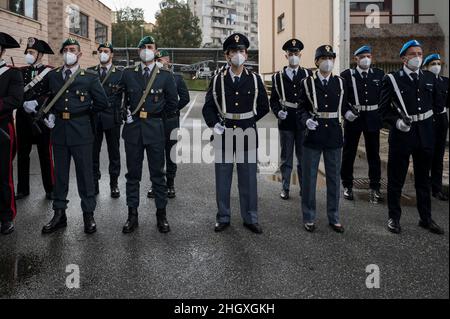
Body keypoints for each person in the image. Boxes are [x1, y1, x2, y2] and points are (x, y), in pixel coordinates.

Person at [202, 33, 270, 234]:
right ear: (227, 56)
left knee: (248, 178)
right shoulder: (217, 80)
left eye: (241, 51)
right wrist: (214, 125)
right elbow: (208, 107)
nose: (238, 55)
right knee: (223, 179)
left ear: (246, 55)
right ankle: (223, 216)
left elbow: (263, 106)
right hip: (224, 135)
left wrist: (248, 120)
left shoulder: (255, 80)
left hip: (247, 134)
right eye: (234, 52)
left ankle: (250, 217)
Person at [40, 38, 109, 235]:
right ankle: (59, 214)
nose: (69, 52)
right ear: (62, 53)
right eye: (66, 50)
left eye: (73, 50)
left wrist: (85, 114)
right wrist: (49, 114)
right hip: (60, 130)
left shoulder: (89, 76)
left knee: (85, 175)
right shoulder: (53, 76)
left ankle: (88, 215)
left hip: (82, 132)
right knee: (60, 175)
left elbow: (102, 103)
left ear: (79, 54)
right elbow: (46, 96)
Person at [379, 40, 444, 235]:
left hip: (425, 134)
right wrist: (396, 122)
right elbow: (383, 110)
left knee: (423, 180)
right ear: (403, 58)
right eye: (413, 54)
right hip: (402, 136)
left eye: (420, 53)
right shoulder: (393, 79)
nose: (417, 57)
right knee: (396, 179)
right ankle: (394, 218)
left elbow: (437, 106)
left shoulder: (429, 78)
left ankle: (426, 218)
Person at [121, 36, 178, 234]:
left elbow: (172, 104)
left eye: (150, 47)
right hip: (133, 129)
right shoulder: (128, 74)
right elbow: (121, 98)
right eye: (143, 47)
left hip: (155, 129)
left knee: (158, 175)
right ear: (138, 52)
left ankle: (161, 216)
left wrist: (159, 118)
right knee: (132, 175)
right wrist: (123, 112)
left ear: (155, 51)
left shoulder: (165, 75)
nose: (146, 50)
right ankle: (132, 215)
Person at [298, 45, 351, 233]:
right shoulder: (306, 83)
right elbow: (301, 109)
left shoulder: (341, 82)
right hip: (313, 134)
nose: (328, 61)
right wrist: (306, 121)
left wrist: (349, 113)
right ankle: (309, 216)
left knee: (334, 179)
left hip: (334, 134)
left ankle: (334, 217)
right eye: (324, 58)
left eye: (331, 58)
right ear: (317, 61)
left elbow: (345, 105)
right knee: (309, 178)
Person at [340, 45, 384, 203]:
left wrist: (382, 117)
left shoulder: (379, 74)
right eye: (363, 56)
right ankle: (347, 185)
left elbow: (384, 98)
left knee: (374, 154)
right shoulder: (346, 75)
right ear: (356, 59)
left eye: (369, 56)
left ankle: (375, 186)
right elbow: (341, 98)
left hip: (372, 118)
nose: (366, 59)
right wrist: (346, 113)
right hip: (354, 119)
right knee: (349, 152)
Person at [270, 38, 312, 200]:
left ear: (300, 55)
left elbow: (312, 98)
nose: (293, 55)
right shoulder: (277, 77)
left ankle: (304, 187)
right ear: (286, 56)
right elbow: (273, 100)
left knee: (303, 157)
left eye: (296, 53)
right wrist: (278, 111)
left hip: (303, 122)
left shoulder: (308, 74)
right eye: (290, 53)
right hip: (286, 121)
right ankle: (285, 187)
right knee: (286, 158)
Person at [16, 37, 55, 201]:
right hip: (23, 117)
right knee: (23, 154)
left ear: (40, 54)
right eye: (28, 52)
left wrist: (37, 103)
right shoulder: (21, 71)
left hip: (40, 117)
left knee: (44, 154)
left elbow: (52, 93)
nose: (28, 55)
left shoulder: (49, 72)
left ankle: (50, 188)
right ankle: (23, 189)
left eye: (31, 52)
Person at [147, 50, 190, 199]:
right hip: (155, 120)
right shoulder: (151, 78)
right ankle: (155, 184)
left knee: (170, 153)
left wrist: (174, 108)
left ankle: (170, 184)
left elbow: (185, 97)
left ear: (168, 61)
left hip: (170, 120)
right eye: (157, 59)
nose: (159, 61)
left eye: (162, 59)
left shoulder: (176, 78)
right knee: (155, 154)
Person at [88, 42, 123, 199]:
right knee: (93, 153)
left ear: (112, 54)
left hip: (112, 118)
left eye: (106, 51)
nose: (103, 53)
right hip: (94, 118)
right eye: (101, 51)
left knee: (114, 153)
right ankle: (94, 182)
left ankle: (114, 183)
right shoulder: (90, 72)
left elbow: (126, 95)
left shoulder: (120, 74)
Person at [0, 32, 23, 235]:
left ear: (2, 51)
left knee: (3, 175)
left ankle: (6, 216)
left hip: (2, 129)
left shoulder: (12, 73)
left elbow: (15, 100)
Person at [422, 53, 449, 202]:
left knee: (439, 156)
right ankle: (424, 185)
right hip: (428, 119)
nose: (437, 66)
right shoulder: (423, 81)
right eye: (433, 64)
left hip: (442, 120)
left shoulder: (445, 81)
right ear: (426, 67)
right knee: (427, 154)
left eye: (438, 63)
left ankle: (436, 188)